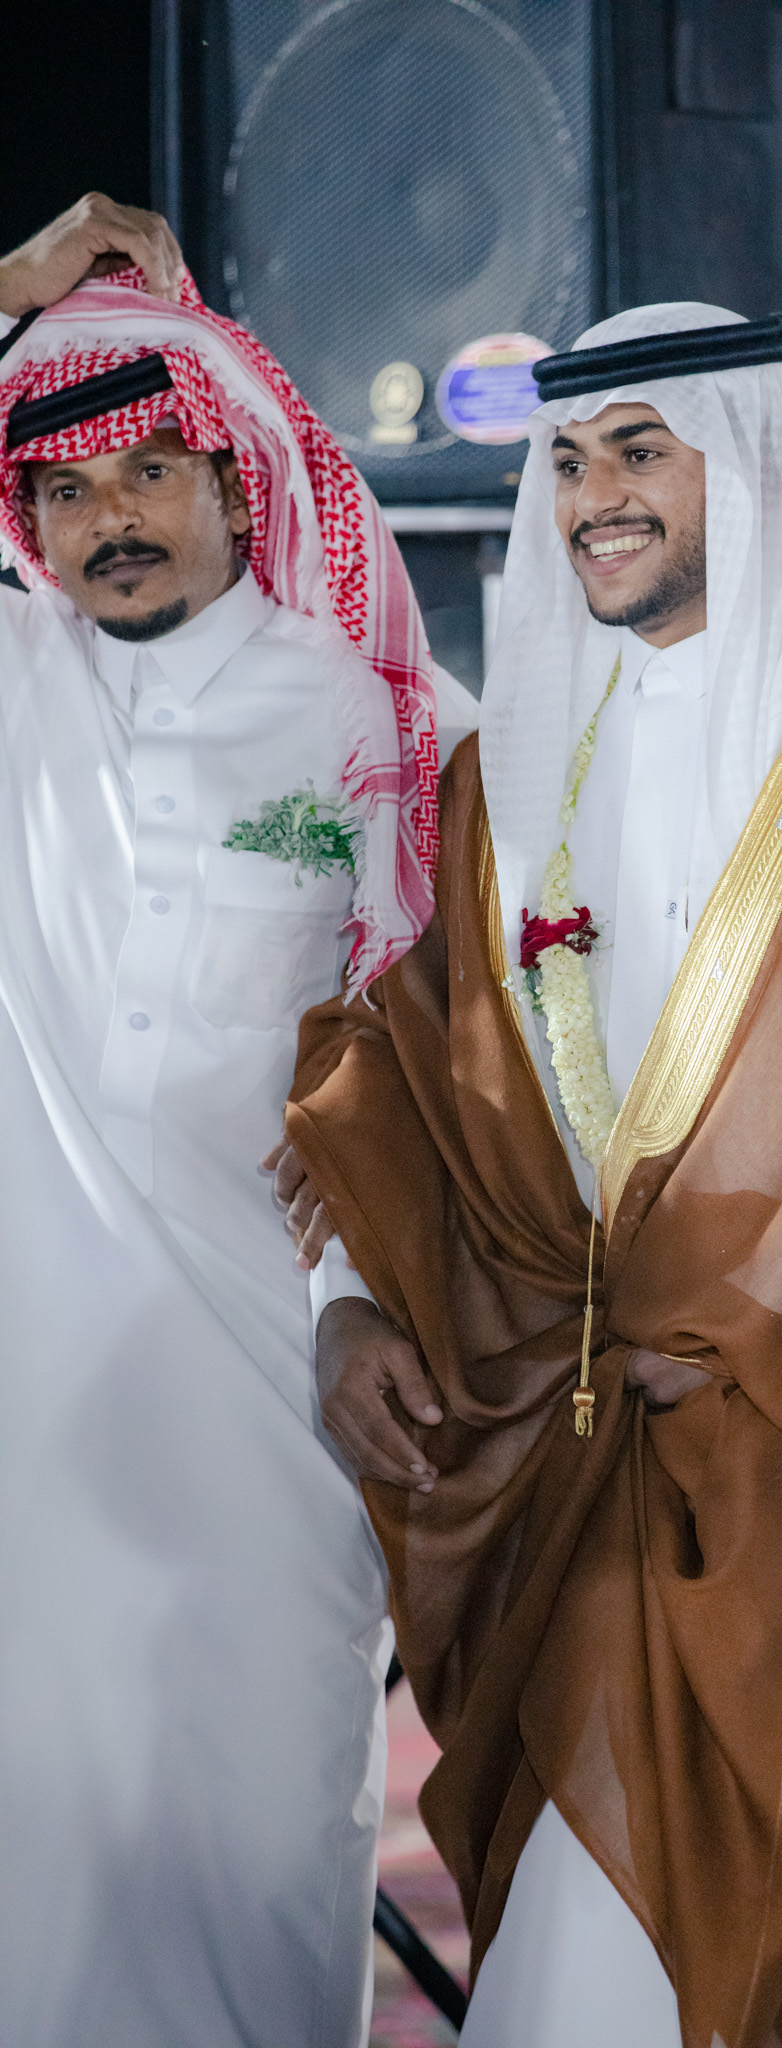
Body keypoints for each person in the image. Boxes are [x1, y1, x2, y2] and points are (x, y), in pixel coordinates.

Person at [279, 302, 782, 2048]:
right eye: (568, 462)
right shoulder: (506, 774)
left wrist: (751, 1331)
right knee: (573, 1946)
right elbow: (421, 1075)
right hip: (561, 1441)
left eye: (641, 453)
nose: (595, 496)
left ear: (747, 464)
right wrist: (350, 1302)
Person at [0, 196, 476, 2048]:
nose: (107, 518)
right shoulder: (17, 683)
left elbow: (442, 1058)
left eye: (147, 472)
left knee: (262, 1836)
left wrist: (362, 1289)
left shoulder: (378, 724)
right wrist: (15, 290)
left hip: (279, 1388)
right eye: (62, 490)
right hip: (35, 1407)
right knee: (45, 1862)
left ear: (233, 475)